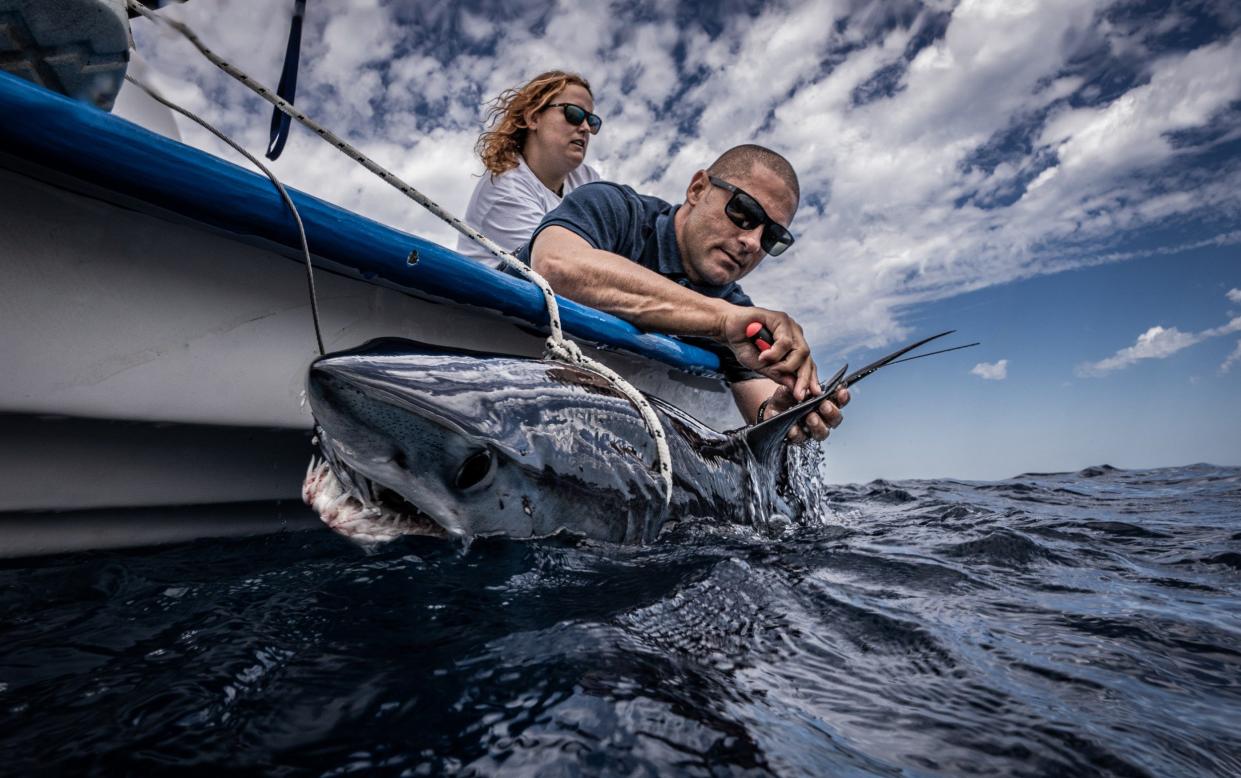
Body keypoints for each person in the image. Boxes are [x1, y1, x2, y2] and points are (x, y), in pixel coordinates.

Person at [518, 144, 848, 441]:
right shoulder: (614, 208)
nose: (751, 242)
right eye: (744, 212)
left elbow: (765, 409)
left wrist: (784, 412)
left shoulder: (737, 313)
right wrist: (719, 320)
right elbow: (555, 266)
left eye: (771, 238)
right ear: (698, 188)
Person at [456, 71, 603, 265]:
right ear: (533, 118)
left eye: (592, 121)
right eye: (574, 114)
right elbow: (565, 269)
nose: (585, 127)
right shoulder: (507, 188)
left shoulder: (586, 178)